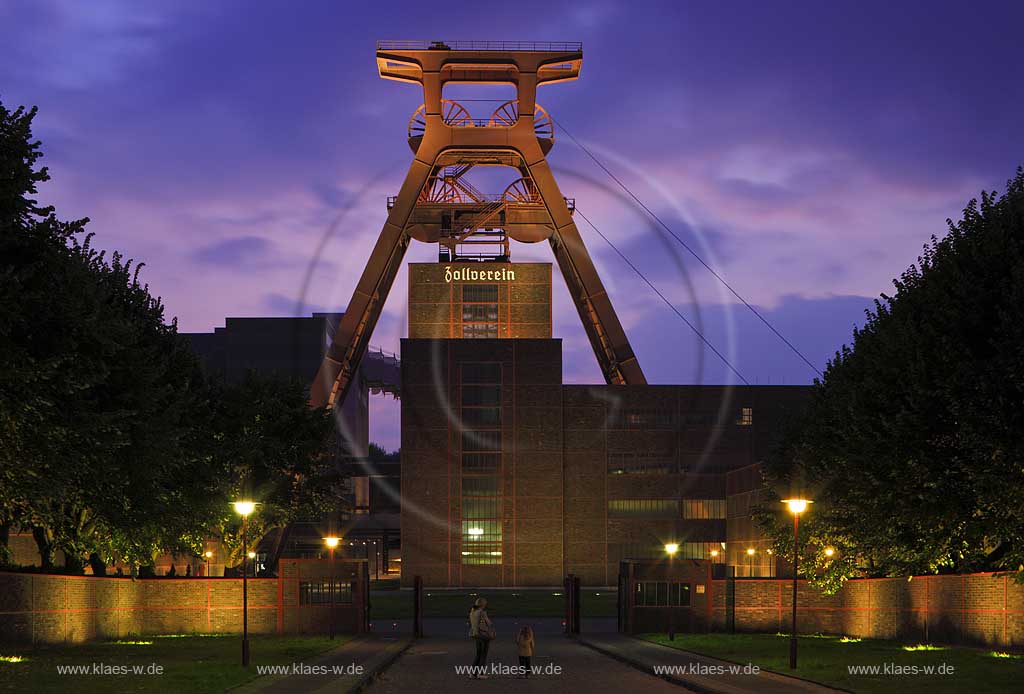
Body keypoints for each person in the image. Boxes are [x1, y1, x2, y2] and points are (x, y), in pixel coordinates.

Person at [468, 597, 494, 678]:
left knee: (478, 654)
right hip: (483, 635)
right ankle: (481, 673)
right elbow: (487, 623)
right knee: (483, 655)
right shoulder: (482, 612)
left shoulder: (472, 612)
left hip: (476, 634)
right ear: (483, 604)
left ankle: (473, 673)